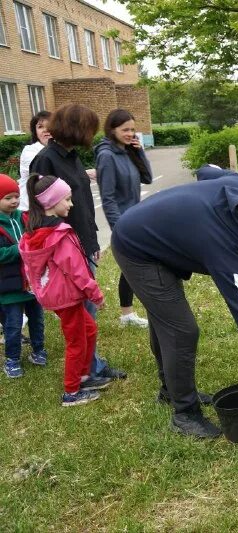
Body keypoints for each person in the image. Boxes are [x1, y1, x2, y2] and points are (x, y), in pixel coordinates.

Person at [111, 171, 238, 438]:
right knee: (181, 330)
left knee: (165, 319)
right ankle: (184, 414)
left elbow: (207, 170)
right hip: (137, 248)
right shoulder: (226, 249)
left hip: (152, 233)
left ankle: (171, 390)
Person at [30, 103, 126, 381]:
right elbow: (40, 211)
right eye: (89, 128)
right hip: (65, 249)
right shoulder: (46, 160)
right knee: (82, 310)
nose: (92, 134)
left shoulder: (71, 156)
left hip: (83, 242)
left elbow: (81, 203)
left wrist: (92, 242)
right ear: (75, 128)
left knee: (87, 310)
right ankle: (88, 370)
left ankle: (91, 364)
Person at [20, 175, 111, 406]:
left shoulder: (34, 231)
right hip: (67, 297)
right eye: (67, 199)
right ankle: (71, 392)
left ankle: (84, 377)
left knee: (89, 329)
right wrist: (96, 295)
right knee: (76, 342)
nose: (71, 204)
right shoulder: (59, 234)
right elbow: (77, 270)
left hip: (56, 295)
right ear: (52, 202)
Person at [95, 109, 154, 329]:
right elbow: (108, 197)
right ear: (112, 130)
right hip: (123, 222)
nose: (130, 134)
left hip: (136, 218)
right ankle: (126, 314)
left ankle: (127, 314)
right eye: (125, 130)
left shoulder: (128, 151)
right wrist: (118, 227)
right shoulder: (106, 156)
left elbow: (147, 178)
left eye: (132, 130)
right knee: (132, 266)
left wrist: (140, 152)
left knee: (132, 266)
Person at [0, 175, 46, 379]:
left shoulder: (25, 218)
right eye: (8, 197)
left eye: (16, 196)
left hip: (32, 283)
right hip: (9, 286)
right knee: (13, 324)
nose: (14, 201)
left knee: (37, 319)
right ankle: (12, 360)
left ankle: (38, 350)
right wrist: (19, 248)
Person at [19, 111, 52, 211]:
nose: (45, 130)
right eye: (40, 127)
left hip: (50, 207)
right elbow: (46, 173)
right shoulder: (29, 151)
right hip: (30, 209)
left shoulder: (59, 150)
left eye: (49, 126)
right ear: (35, 132)